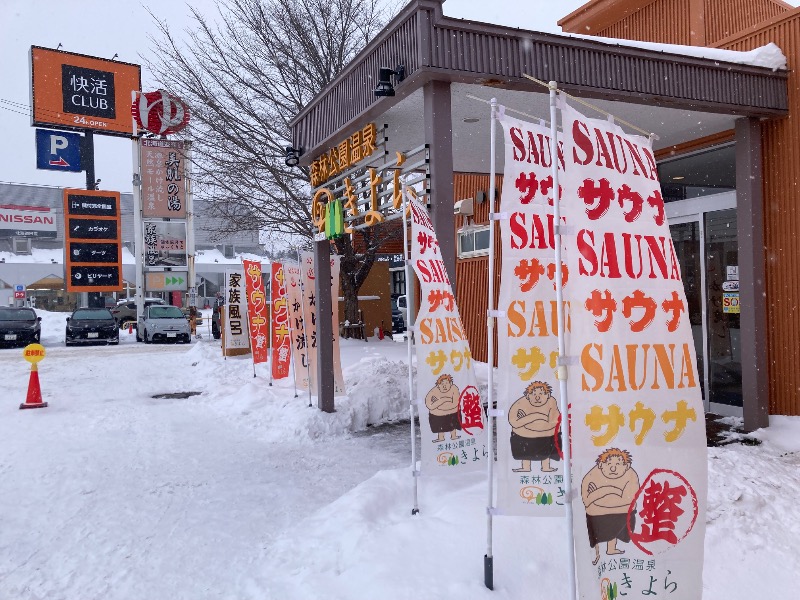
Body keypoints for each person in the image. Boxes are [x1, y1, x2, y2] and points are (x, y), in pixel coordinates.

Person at [581, 448, 640, 566]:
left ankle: (611, 548)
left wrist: (598, 494)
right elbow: (587, 500)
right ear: (602, 465)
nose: (613, 468)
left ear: (626, 465)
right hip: (598, 513)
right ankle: (596, 552)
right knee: (596, 531)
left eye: (618, 464)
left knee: (615, 529)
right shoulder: (593, 474)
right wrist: (611, 490)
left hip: (621, 512)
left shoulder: (631, 475)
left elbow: (631, 498)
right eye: (609, 464)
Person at [508, 381, 561, 473]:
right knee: (524, 450)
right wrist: (538, 416)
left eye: (541, 393)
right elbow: (514, 422)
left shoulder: (551, 401)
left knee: (548, 446)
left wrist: (526, 421)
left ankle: (546, 467)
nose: (537, 397)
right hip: (523, 436)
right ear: (528, 396)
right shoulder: (520, 403)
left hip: (547, 436)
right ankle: (525, 467)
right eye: (533, 394)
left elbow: (554, 421)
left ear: (547, 395)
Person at [425, 374, 461, 443]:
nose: (444, 386)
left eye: (446, 383)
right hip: (437, 415)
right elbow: (429, 404)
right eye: (442, 384)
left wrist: (438, 405)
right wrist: (444, 400)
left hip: (453, 413)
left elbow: (455, 403)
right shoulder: (434, 391)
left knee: (453, 425)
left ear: (451, 383)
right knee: (440, 427)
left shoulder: (454, 388)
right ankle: (441, 438)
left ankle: (453, 436)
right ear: (438, 385)